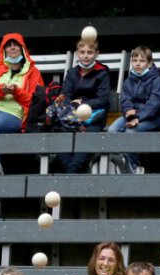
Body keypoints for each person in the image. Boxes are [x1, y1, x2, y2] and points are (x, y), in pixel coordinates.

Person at [0, 33, 42, 176]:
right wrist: (0, 90)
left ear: (22, 48)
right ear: (3, 50)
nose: (12, 48)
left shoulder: (33, 72)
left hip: (13, 115)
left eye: (15, 44)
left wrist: (16, 92)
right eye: (8, 45)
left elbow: (36, 102)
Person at [108, 45, 160, 175]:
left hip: (154, 118)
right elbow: (125, 99)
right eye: (135, 61)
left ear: (149, 63)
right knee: (112, 130)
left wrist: (138, 117)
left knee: (131, 131)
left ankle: (134, 167)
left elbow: (154, 104)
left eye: (141, 61)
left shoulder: (157, 80)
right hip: (132, 116)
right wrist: (128, 110)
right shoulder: (128, 81)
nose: (137, 64)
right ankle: (121, 162)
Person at [53, 39, 111, 174]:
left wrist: (84, 104)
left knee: (87, 139)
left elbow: (103, 99)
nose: (86, 56)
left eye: (90, 52)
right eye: (82, 52)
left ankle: (71, 174)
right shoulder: (72, 72)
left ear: (97, 54)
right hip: (72, 115)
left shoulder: (102, 73)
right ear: (77, 54)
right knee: (59, 133)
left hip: (94, 116)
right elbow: (65, 94)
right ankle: (72, 173)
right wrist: (73, 104)